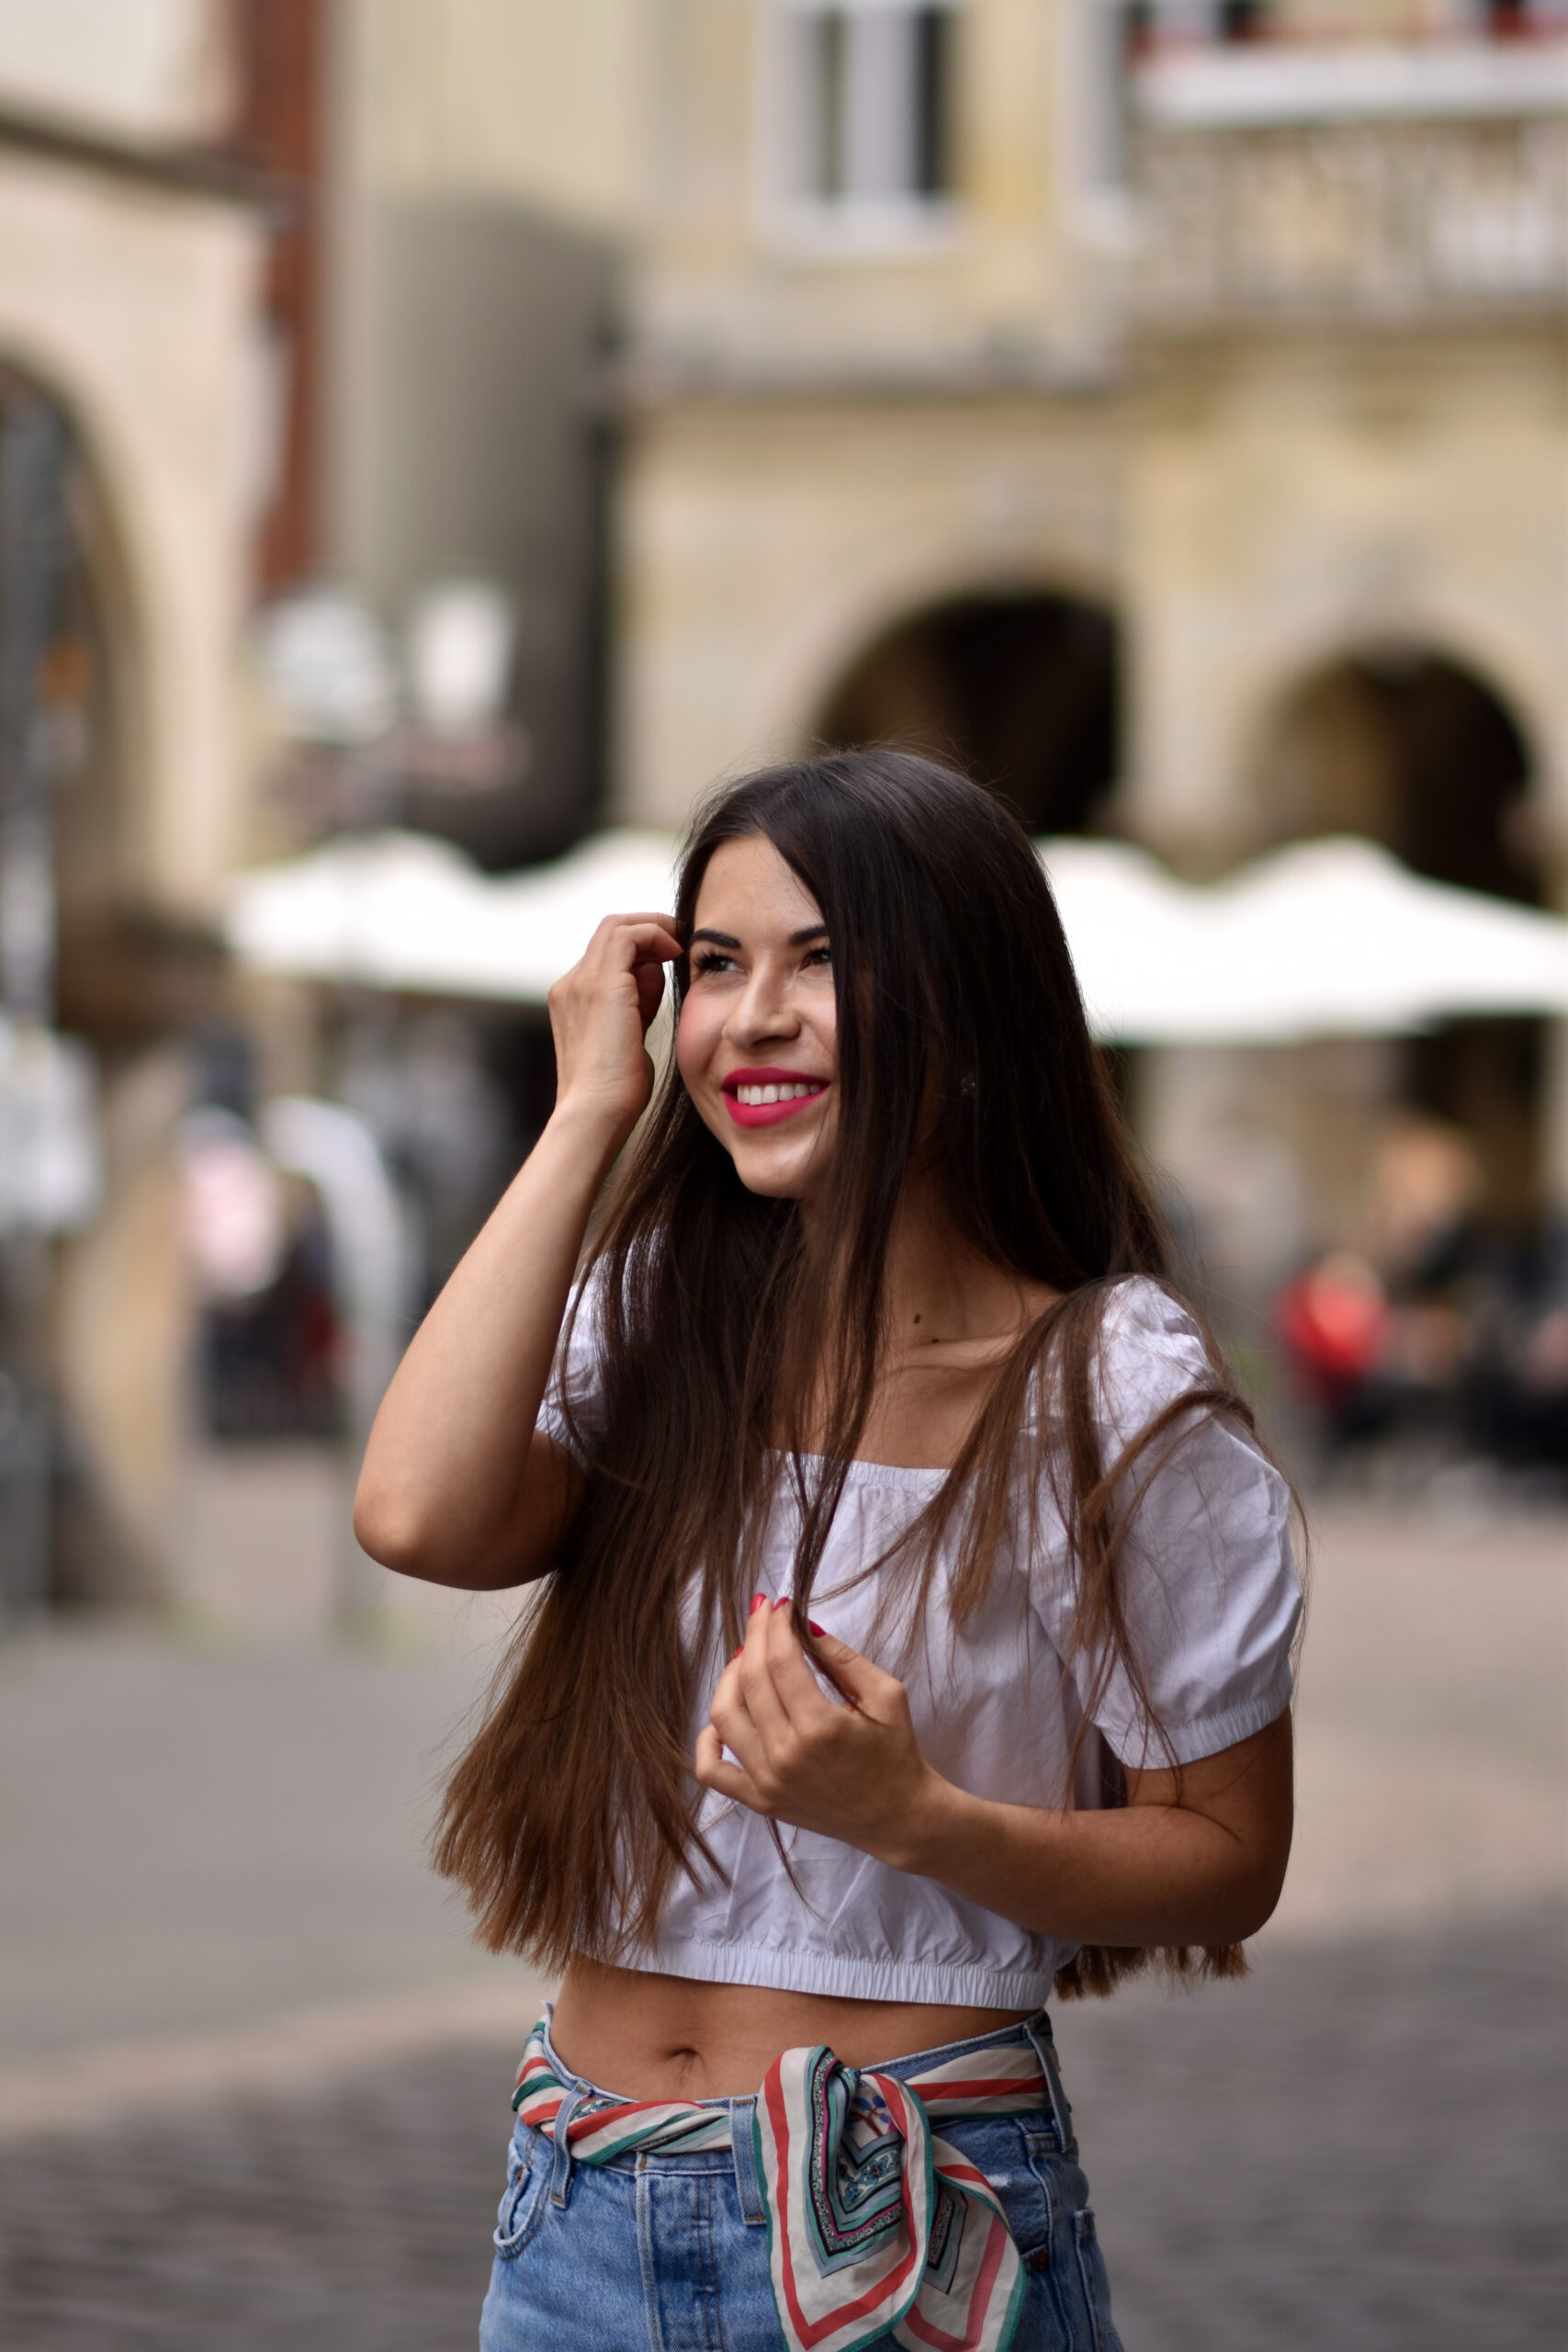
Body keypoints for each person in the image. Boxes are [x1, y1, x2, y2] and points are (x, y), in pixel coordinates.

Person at [354, 751, 1302, 2352]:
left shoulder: (1111, 1395)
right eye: (718, 965)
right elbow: (420, 1514)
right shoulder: (663, 1311)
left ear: (972, 1012)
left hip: (911, 2214)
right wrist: (591, 1108)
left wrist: (915, 1816)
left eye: (823, 962)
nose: (753, 1019)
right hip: (578, 2202)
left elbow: (1229, 1856)